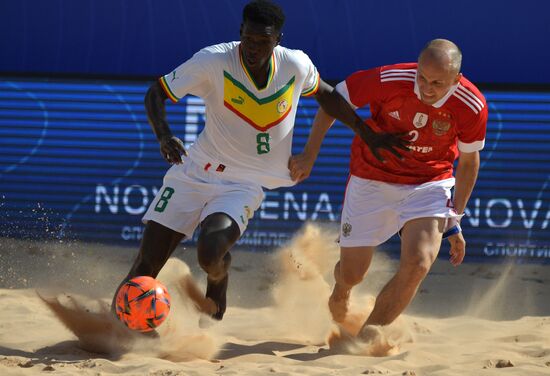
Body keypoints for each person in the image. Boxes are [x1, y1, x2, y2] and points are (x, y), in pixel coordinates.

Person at [112, 0, 406, 323]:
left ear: (277, 39)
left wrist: (367, 133)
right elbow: (156, 93)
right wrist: (164, 136)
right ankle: (122, 329)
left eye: (262, 41)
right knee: (145, 267)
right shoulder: (213, 60)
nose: (253, 48)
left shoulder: (295, 65)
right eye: (248, 39)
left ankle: (217, 277)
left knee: (210, 254)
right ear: (240, 33)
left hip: (243, 184)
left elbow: (328, 97)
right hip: (194, 171)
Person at [294, 39, 488, 338]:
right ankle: (342, 289)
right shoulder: (389, 79)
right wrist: (309, 154)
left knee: (419, 262)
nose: (426, 87)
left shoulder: (471, 104)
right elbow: (332, 101)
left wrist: (455, 217)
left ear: (457, 79)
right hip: (372, 177)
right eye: (422, 77)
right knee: (352, 273)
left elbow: (469, 162)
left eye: (437, 82)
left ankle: (369, 336)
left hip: (429, 184)